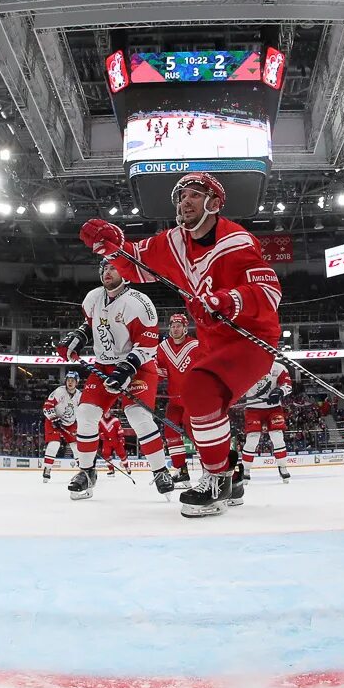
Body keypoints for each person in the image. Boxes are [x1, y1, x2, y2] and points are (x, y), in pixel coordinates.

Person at [81, 171, 283, 517]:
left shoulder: (237, 242)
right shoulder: (172, 242)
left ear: (215, 204)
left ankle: (216, 479)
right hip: (212, 340)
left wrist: (228, 300)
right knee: (195, 416)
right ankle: (231, 474)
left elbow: (270, 291)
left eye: (193, 194)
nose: (184, 201)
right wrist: (108, 246)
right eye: (180, 197)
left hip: (249, 338)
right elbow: (133, 262)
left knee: (199, 391)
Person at [55, 259, 175, 499]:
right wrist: (77, 338)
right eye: (104, 268)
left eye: (113, 268)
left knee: (137, 415)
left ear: (125, 271)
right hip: (104, 366)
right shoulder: (93, 298)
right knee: (86, 415)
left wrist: (127, 369)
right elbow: (91, 325)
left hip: (138, 366)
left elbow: (148, 344)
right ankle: (87, 472)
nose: (107, 272)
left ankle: (161, 471)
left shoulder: (140, 304)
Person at [153, 313, 199, 486]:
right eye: (172, 325)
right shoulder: (162, 347)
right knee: (170, 432)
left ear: (185, 328)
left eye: (178, 325)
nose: (175, 328)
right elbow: (160, 373)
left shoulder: (195, 346)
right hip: (174, 401)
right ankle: (181, 471)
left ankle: (210, 469)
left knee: (196, 434)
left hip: (193, 400)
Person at [240, 360, 294, 482]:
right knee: (252, 439)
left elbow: (288, 384)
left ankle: (282, 466)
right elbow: (238, 385)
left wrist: (280, 391)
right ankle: (246, 469)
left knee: (277, 436)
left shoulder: (279, 367)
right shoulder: (246, 366)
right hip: (253, 409)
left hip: (274, 409)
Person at [40, 370, 82, 481]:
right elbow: (47, 407)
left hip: (69, 424)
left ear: (77, 382)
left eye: (73, 380)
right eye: (68, 380)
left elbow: (83, 411)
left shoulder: (80, 395)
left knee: (76, 447)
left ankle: (83, 469)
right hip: (54, 421)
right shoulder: (59, 391)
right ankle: (47, 468)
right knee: (54, 444)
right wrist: (54, 419)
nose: (70, 382)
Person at [99, 408, 128, 474]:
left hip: (116, 440)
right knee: (105, 454)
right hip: (106, 441)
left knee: (122, 454)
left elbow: (120, 429)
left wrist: (121, 437)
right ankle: (111, 469)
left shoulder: (115, 420)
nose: (106, 414)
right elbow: (100, 431)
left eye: (108, 413)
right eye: (105, 413)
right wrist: (101, 435)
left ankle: (126, 467)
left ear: (110, 413)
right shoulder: (101, 421)